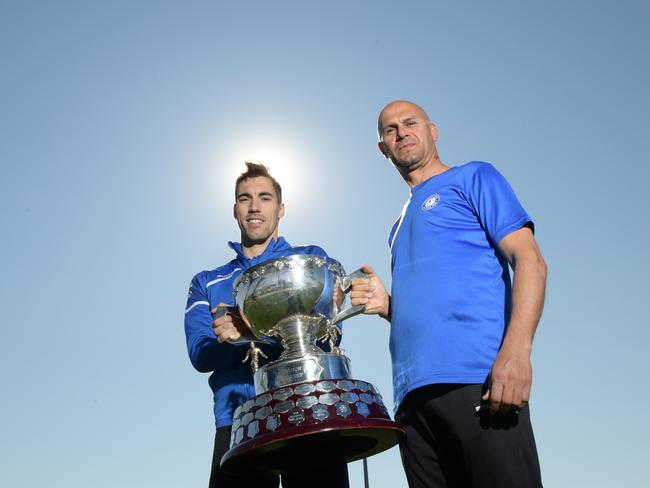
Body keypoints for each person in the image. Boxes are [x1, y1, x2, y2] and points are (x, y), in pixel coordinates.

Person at [351, 100, 547, 487]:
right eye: (390, 130)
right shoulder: (397, 226)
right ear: (382, 149)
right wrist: (388, 305)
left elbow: (530, 261)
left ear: (432, 130)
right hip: (411, 406)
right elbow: (435, 299)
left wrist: (517, 353)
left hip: (479, 382)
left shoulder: (474, 177)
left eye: (410, 122)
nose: (402, 132)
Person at [184, 162, 349, 488]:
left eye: (265, 197)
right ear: (235, 210)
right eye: (245, 198)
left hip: (311, 407)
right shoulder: (206, 281)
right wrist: (274, 330)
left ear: (281, 208)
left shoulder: (309, 260)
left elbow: (327, 334)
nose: (254, 206)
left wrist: (249, 331)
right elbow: (201, 354)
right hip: (239, 420)